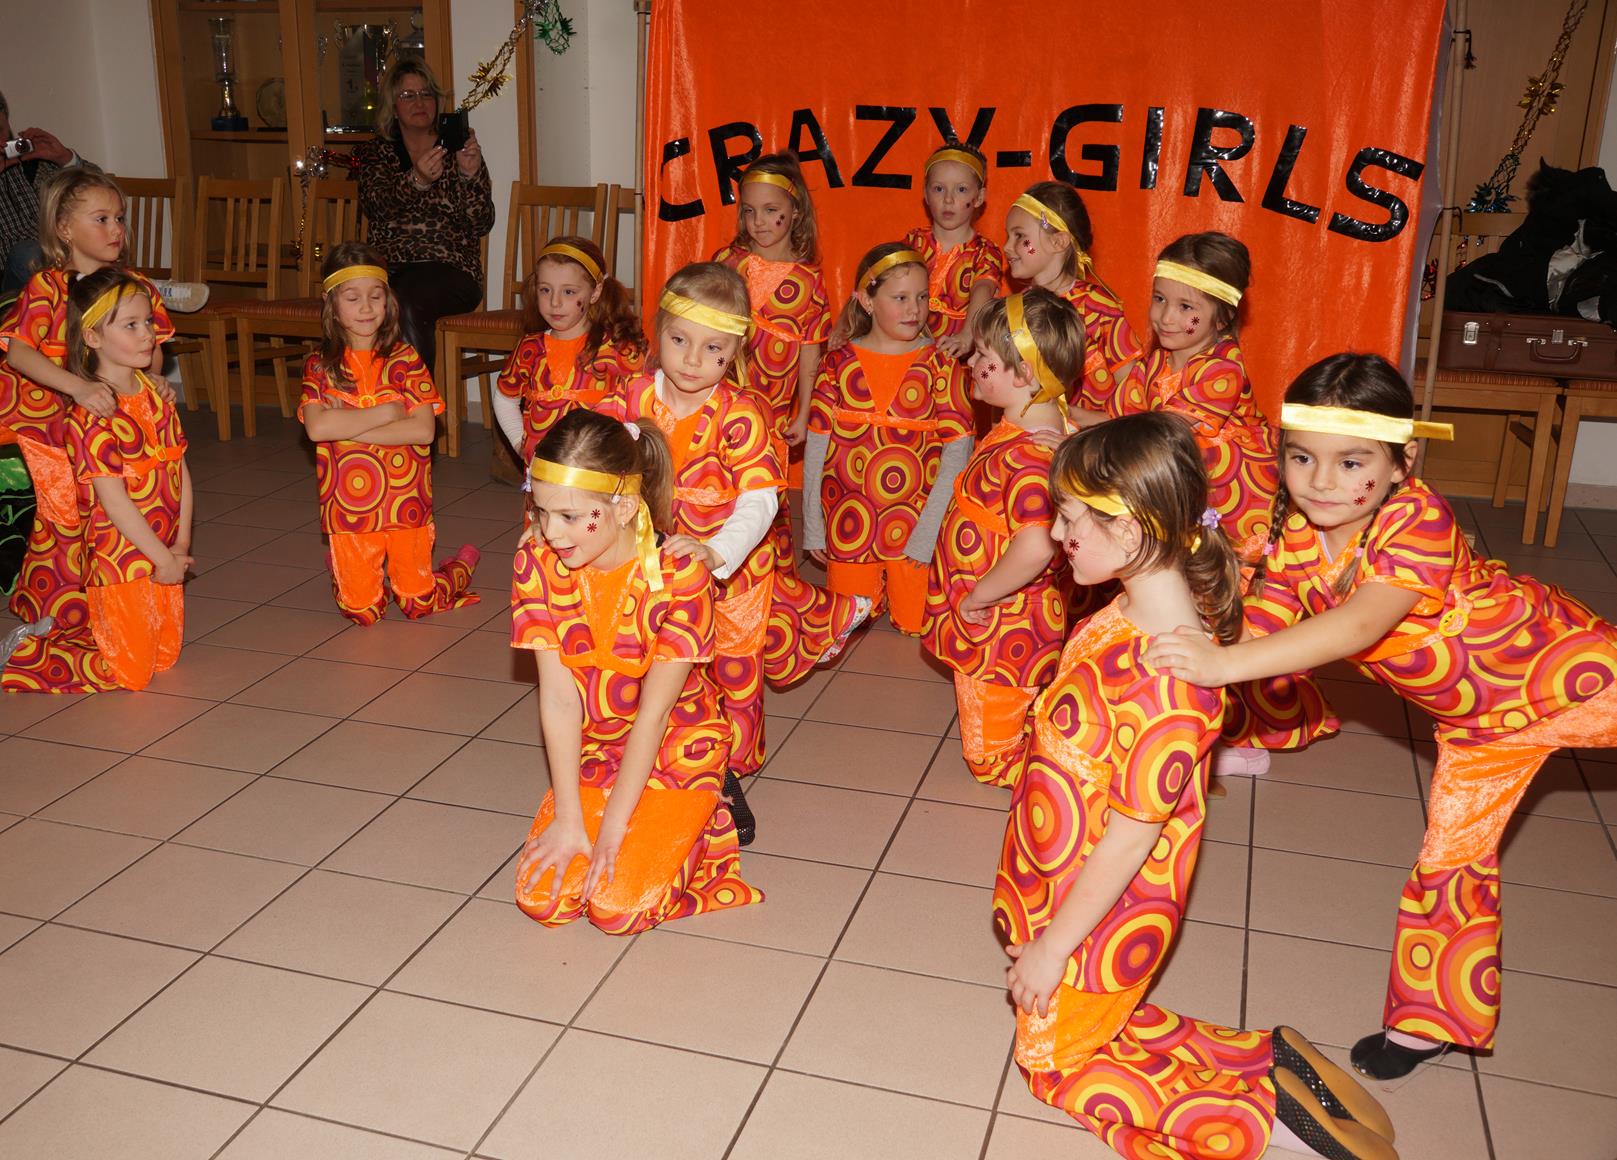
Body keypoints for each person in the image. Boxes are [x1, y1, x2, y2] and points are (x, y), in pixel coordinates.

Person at [1147, 352, 1617, 1084]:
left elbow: (1359, 625)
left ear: (1402, 463)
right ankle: (1427, 1026)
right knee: (1449, 862)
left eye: (1351, 462)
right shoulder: (1296, 537)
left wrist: (1220, 666)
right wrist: (1188, 644)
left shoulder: (1416, 517)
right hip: (1478, 733)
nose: (1320, 481)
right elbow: (1263, 621)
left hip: (1568, 675)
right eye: (1302, 457)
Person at [997, 412, 1399, 1160]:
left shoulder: (1166, 682)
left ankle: (1268, 1117)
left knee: (1055, 1067)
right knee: (1100, 1024)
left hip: (1104, 909)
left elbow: (1130, 840)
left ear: (1130, 530)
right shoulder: (1124, 610)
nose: (1055, 532)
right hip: (1068, 885)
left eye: (1071, 517)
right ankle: (1269, 1059)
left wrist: (1054, 948)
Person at [511, 409, 764, 934]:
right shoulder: (536, 563)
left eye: (569, 516)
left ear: (624, 506)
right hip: (597, 745)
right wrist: (571, 820)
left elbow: (654, 716)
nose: (550, 533)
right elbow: (559, 700)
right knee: (545, 902)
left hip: (675, 745)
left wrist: (613, 830)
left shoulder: (681, 576)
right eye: (541, 512)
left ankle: (709, 803)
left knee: (617, 910)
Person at [596, 262, 817, 844]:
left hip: (730, 573)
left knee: (731, 667)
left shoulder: (742, 413)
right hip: (654, 563)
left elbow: (761, 499)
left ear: (735, 351)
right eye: (679, 341)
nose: (692, 360)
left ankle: (726, 771)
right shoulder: (632, 395)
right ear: (658, 331)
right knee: (659, 657)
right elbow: (597, 460)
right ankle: (657, 752)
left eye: (713, 349)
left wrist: (718, 552)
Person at [0, 169, 176, 693]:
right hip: (51, 428)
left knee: (117, 519)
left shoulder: (135, 287)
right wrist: (78, 388)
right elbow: (19, 353)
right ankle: (54, 623)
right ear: (64, 228)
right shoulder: (47, 286)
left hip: (112, 430)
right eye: (101, 219)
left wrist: (153, 378)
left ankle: (119, 608)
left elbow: (154, 350)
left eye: (119, 218)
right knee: (65, 526)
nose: (116, 229)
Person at [922, 289, 1076, 787]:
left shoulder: (1031, 457)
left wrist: (980, 595)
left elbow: (1036, 545)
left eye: (984, 356)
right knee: (1003, 714)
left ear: (1025, 374)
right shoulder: (1034, 423)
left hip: (999, 627)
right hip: (998, 623)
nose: (971, 362)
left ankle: (1060, 782)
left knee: (990, 757)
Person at [297, 243, 479, 625]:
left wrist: (347, 424)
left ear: (388, 300)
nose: (366, 307)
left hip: (405, 506)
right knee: (362, 612)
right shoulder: (319, 366)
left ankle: (460, 566)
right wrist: (386, 413)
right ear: (331, 304)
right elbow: (317, 428)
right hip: (349, 511)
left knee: (418, 604)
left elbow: (424, 431)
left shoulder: (406, 360)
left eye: (375, 296)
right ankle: (343, 568)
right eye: (353, 298)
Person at [802, 243, 973, 635]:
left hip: (915, 528)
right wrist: (813, 525)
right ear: (867, 301)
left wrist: (928, 534)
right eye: (900, 298)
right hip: (850, 526)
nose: (915, 309)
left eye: (921, 297)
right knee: (846, 624)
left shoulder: (942, 365)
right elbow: (815, 448)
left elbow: (957, 452)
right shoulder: (837, 364)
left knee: (917, 624)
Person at [1093, 232, 1278, 563]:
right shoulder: (1156, 362)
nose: (1166, 317)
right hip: (1187, 495)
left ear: (1222, 317)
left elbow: (1159, 433)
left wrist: (1086, 446)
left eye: (1185, 307)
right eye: (1160, 299)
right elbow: (1116, 420)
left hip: (1237, 513)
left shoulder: (1223, 369)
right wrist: (1058, 417)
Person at [59, 270, 192, 690]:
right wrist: (162, 559)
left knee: (165, 658)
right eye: (130, 325)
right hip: (123, 560)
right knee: (130, 673)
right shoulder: (92, 414)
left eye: (148, 321)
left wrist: (181, 544)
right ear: (93, 337)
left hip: (165, 546)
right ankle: (42, 649)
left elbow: (180, 469)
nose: (148, 334)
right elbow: (114, 503)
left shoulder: (156, 394)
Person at [351, 57, 494, 371]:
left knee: (404, 299)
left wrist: (470, 175)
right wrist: (416, 180)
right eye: (408, 95)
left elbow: (481, 222)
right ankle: (363, 390)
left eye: (426, 93)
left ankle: (415, 396)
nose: (419, 102)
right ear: (393, 106)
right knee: (357, 295)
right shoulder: (378, 152)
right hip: (390, 268)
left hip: (450, 270)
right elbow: (375, 205)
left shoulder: (457, 148)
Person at [711, 152, 832, 449]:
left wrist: (803, 414)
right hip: (719, 402)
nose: (758, 222)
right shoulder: (727, 263)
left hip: (772, 412)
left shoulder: (809, 281)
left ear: (795, 210)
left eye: (770, 210)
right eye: (749, 211)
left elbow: (810, 354)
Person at [491, 236, 644, 465]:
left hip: (596, 470)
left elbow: (643, 402)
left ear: (595, 292)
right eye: (545, 290)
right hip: (541, 471)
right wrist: (517, 441)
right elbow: (504, 399)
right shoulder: (529, 348)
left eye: (569, 292)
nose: (555, 302)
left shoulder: (617, 348)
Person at [1004, 181, 1141, 414]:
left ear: (1058, 241)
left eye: (1019, 236)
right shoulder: (1014, 308)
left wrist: (1078, 419)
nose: (1007, 246)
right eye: (1008, 236)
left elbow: (1134, 389)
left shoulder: (1098, 308)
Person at [902, 142, 1004, 431]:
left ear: (979, 197)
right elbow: (882, 282)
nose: (948, 199)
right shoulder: (913, 242)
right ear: (925, 194)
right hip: (910, 359)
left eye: (961, 190)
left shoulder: (985, 252)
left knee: (954, 427)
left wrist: (967, 334)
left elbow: (982, 290)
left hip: (957, 360)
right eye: (939, 189)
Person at [0, 88, 95, 295]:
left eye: (0, 130)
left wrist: (65, 158)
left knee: (93, 235)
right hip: (10, 285)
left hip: (59, 261)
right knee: (28, 253)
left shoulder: (33, 162)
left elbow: (102, 194)